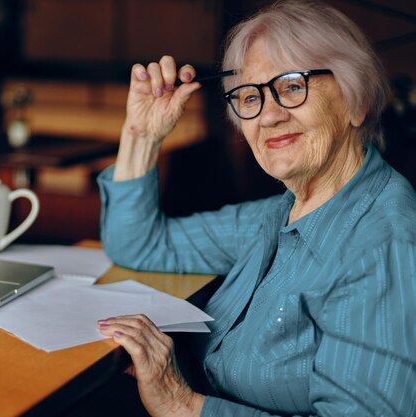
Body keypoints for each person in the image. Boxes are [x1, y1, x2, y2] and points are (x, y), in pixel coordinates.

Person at [95, 1, 416, 416]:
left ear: (356, 103)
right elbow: (140, 244)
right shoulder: (283, 214)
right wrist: (142, 137)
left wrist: (180, 403)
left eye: (292, 86)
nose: (269, 115)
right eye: (249, 96)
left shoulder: (382, 246)